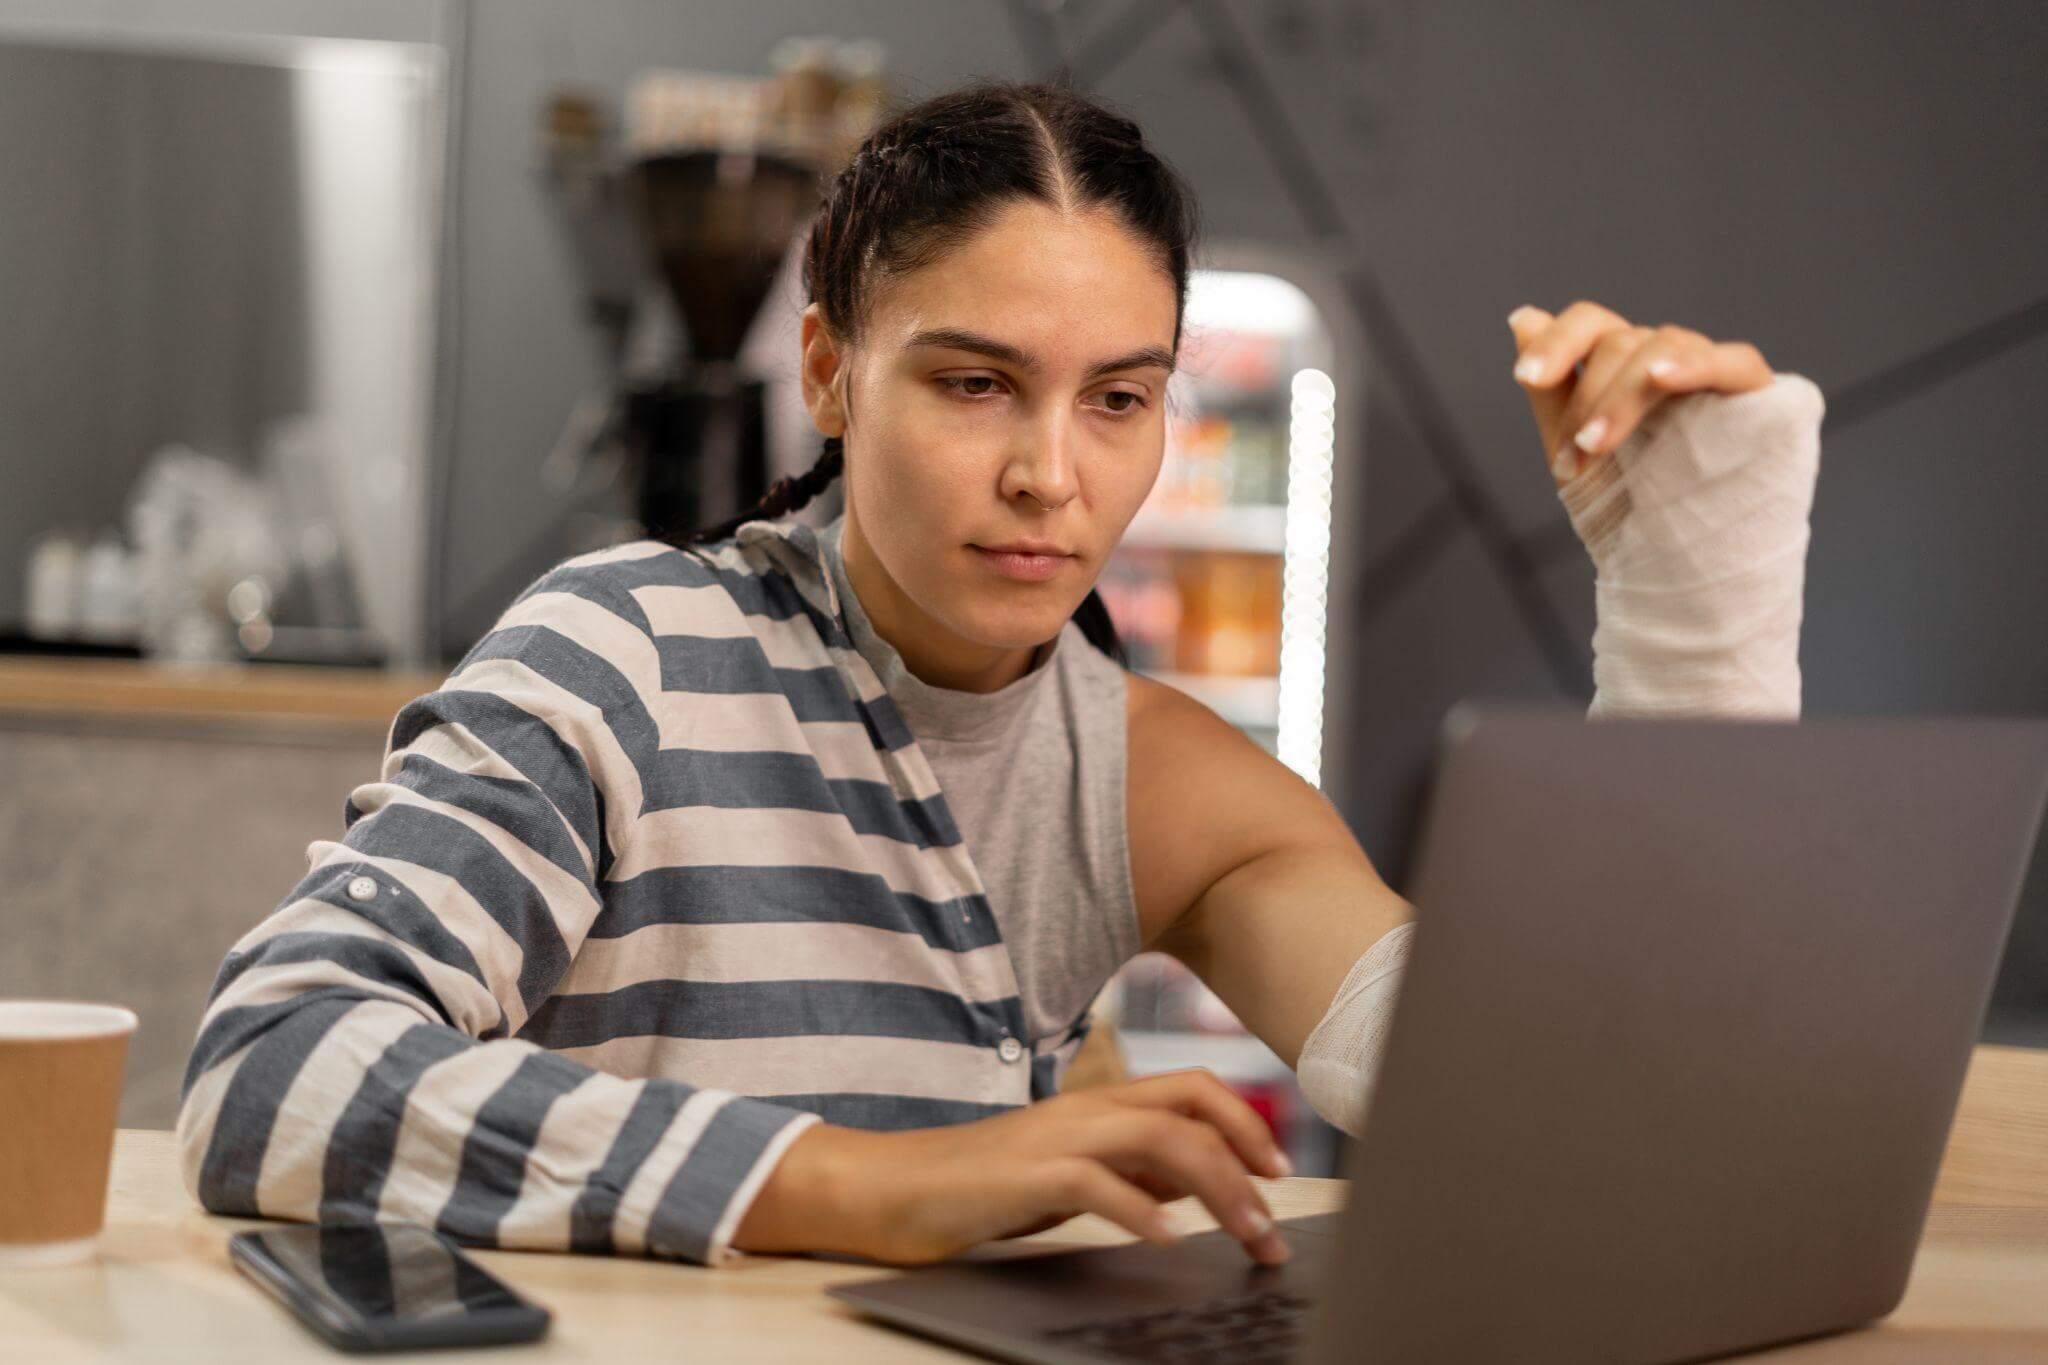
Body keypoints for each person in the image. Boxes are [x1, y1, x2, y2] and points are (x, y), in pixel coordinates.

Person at [176, 80, 1822, 1274]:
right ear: (830, 368)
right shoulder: (623, 652)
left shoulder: (1148, 779)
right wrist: (876, 1184)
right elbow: (271, 1067)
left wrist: (1692, 593)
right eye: (976, 383)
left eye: (1119, 398)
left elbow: (1581, 1141)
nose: (1054, 473)